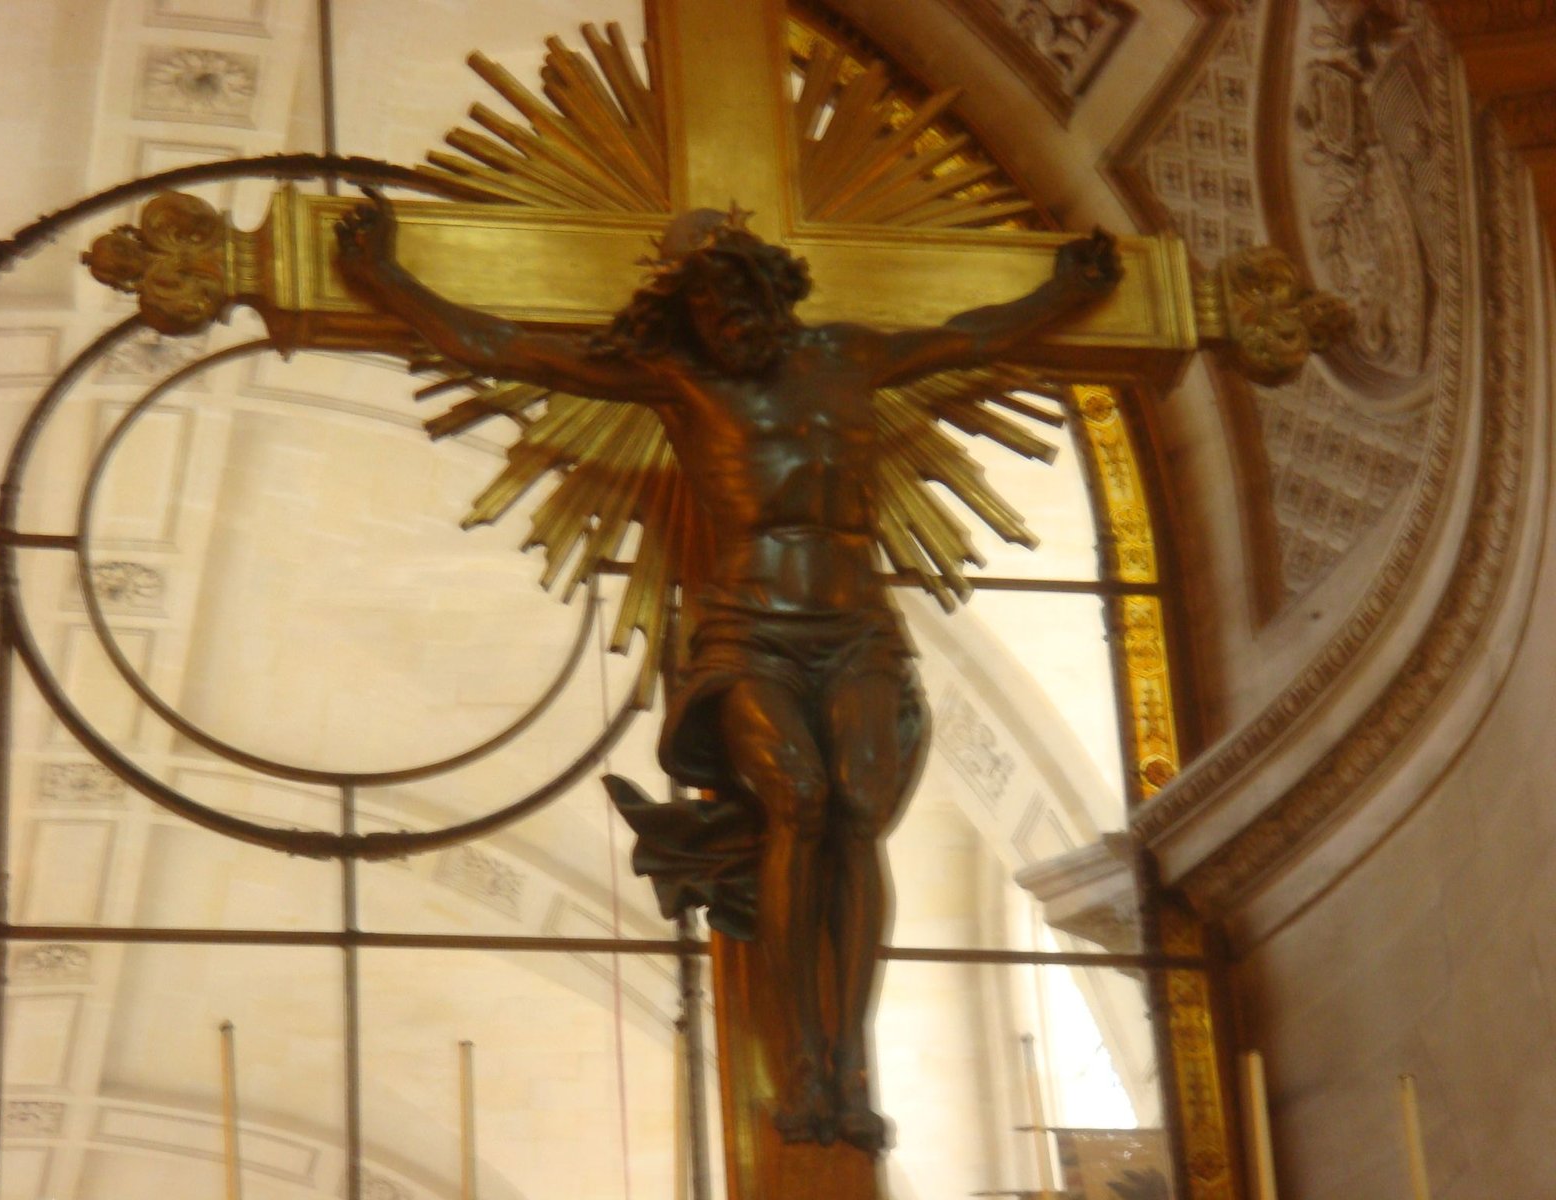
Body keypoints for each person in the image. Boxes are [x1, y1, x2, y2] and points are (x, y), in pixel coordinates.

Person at [335, 193, 1120, 1151]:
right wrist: (387, 281)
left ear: (768, 291)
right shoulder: (678, 380)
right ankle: (804, 1062)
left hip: (858, 629)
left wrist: (1064, 295)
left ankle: (848, 1057)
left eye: (734, 302)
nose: (723, 323)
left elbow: (971, 337)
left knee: (859, 811)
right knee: (800, 800)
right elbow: (505, 348)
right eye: (703, 309)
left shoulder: (849, 357)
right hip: (752, 631)